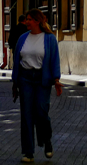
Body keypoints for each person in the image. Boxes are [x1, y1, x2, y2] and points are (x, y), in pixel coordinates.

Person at [12, 9, 62, 163]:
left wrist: (56, 79)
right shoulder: (22, 38)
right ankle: (28, 152)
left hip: (42, 79)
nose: (27, 22)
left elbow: (54, 59)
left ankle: (46, 141)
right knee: (26, 116)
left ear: (38, 21)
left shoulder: (49, 39)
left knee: (41, 113)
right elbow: (16, 60)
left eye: (30, 19)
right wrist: (15, 81)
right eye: (26, 19)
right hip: (25, 78)